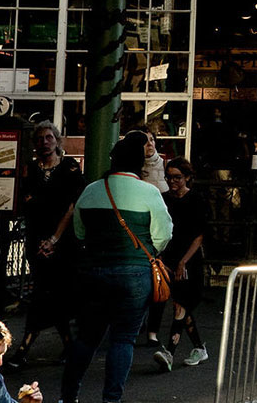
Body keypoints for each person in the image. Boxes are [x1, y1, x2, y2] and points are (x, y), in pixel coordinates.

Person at [61, 131, 172, 403]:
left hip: (93, 273)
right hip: (135, 274)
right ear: (138, 163)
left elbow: (79, 233)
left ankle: (68, 396)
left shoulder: (90, 190)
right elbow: (164, 235)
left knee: (87, 337)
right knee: (123, 339)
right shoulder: (150, 193)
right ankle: (111, 400)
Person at [13, 121, 81, 368]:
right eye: (40, 138)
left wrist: (54, 238)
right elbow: (26, 202)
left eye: (49, 137)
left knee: (49, 294)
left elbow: (72, 205)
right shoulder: (30, 169)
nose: (44, 142)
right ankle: (69, 346)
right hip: (36, 241)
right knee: (49, 293)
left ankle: (24, 347)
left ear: (57, 140)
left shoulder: (70, 168)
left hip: (63, 243)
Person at [154, 159, 210, 370]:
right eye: (169, 177)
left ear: (187, 177)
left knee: (181, 304)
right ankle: (198, 347)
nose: (172, 181)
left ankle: (170, 351)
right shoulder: (164, 199)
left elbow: (199, 235)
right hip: (169, 258)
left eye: (177, 177)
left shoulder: (196, 200)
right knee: (180, 305)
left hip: (189, 259)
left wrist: (183, 262)